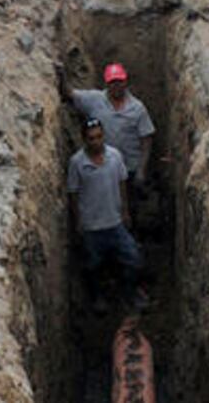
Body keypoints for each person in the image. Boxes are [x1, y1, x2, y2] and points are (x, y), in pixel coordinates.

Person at [67, 118, 147, 312]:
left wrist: (125, 211)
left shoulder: (115, 156)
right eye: (91, 138)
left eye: (99, 136)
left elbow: (122, 183)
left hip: (115, 223)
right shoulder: (77, 163)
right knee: (93, 266)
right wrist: (78, 222)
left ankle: (129, 293)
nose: (96, 141)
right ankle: (98, 298)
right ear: (84, 139)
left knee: (133, 258)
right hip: (92, 227)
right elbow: (73, 193)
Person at [69, 63, 155, 198]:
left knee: (130, 206)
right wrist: (60, 75)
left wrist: (141, 170)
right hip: (103, 168)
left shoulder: (137, 108)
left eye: (119, 81)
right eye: (112, 82)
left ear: (125, 81)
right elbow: (70, 94)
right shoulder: (94, 100)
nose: (116, 86)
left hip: (129, 169)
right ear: (106, 83)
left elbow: (146, 140)